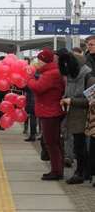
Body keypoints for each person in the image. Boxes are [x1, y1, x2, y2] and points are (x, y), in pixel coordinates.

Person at [27, 48, 65, 181]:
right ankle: (57, 169)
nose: (37, 62)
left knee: (51, 143)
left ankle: (56, 171)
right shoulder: (52, 72)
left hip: (50, 112)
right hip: (50, 110)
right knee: (54, 142)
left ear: (44, 61)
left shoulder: (51, 74)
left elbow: (38, 87)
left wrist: (29, 78)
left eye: (39, 60)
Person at [59, 52, 91, 184]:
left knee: (81, 146)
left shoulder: (87, 76)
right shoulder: (71, 75)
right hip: (73, 114)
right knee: (78, 146)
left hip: (84, 115)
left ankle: (81, 172)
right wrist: (65, 99)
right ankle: (82, 172)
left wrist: (70, 100)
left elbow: (90, 100)